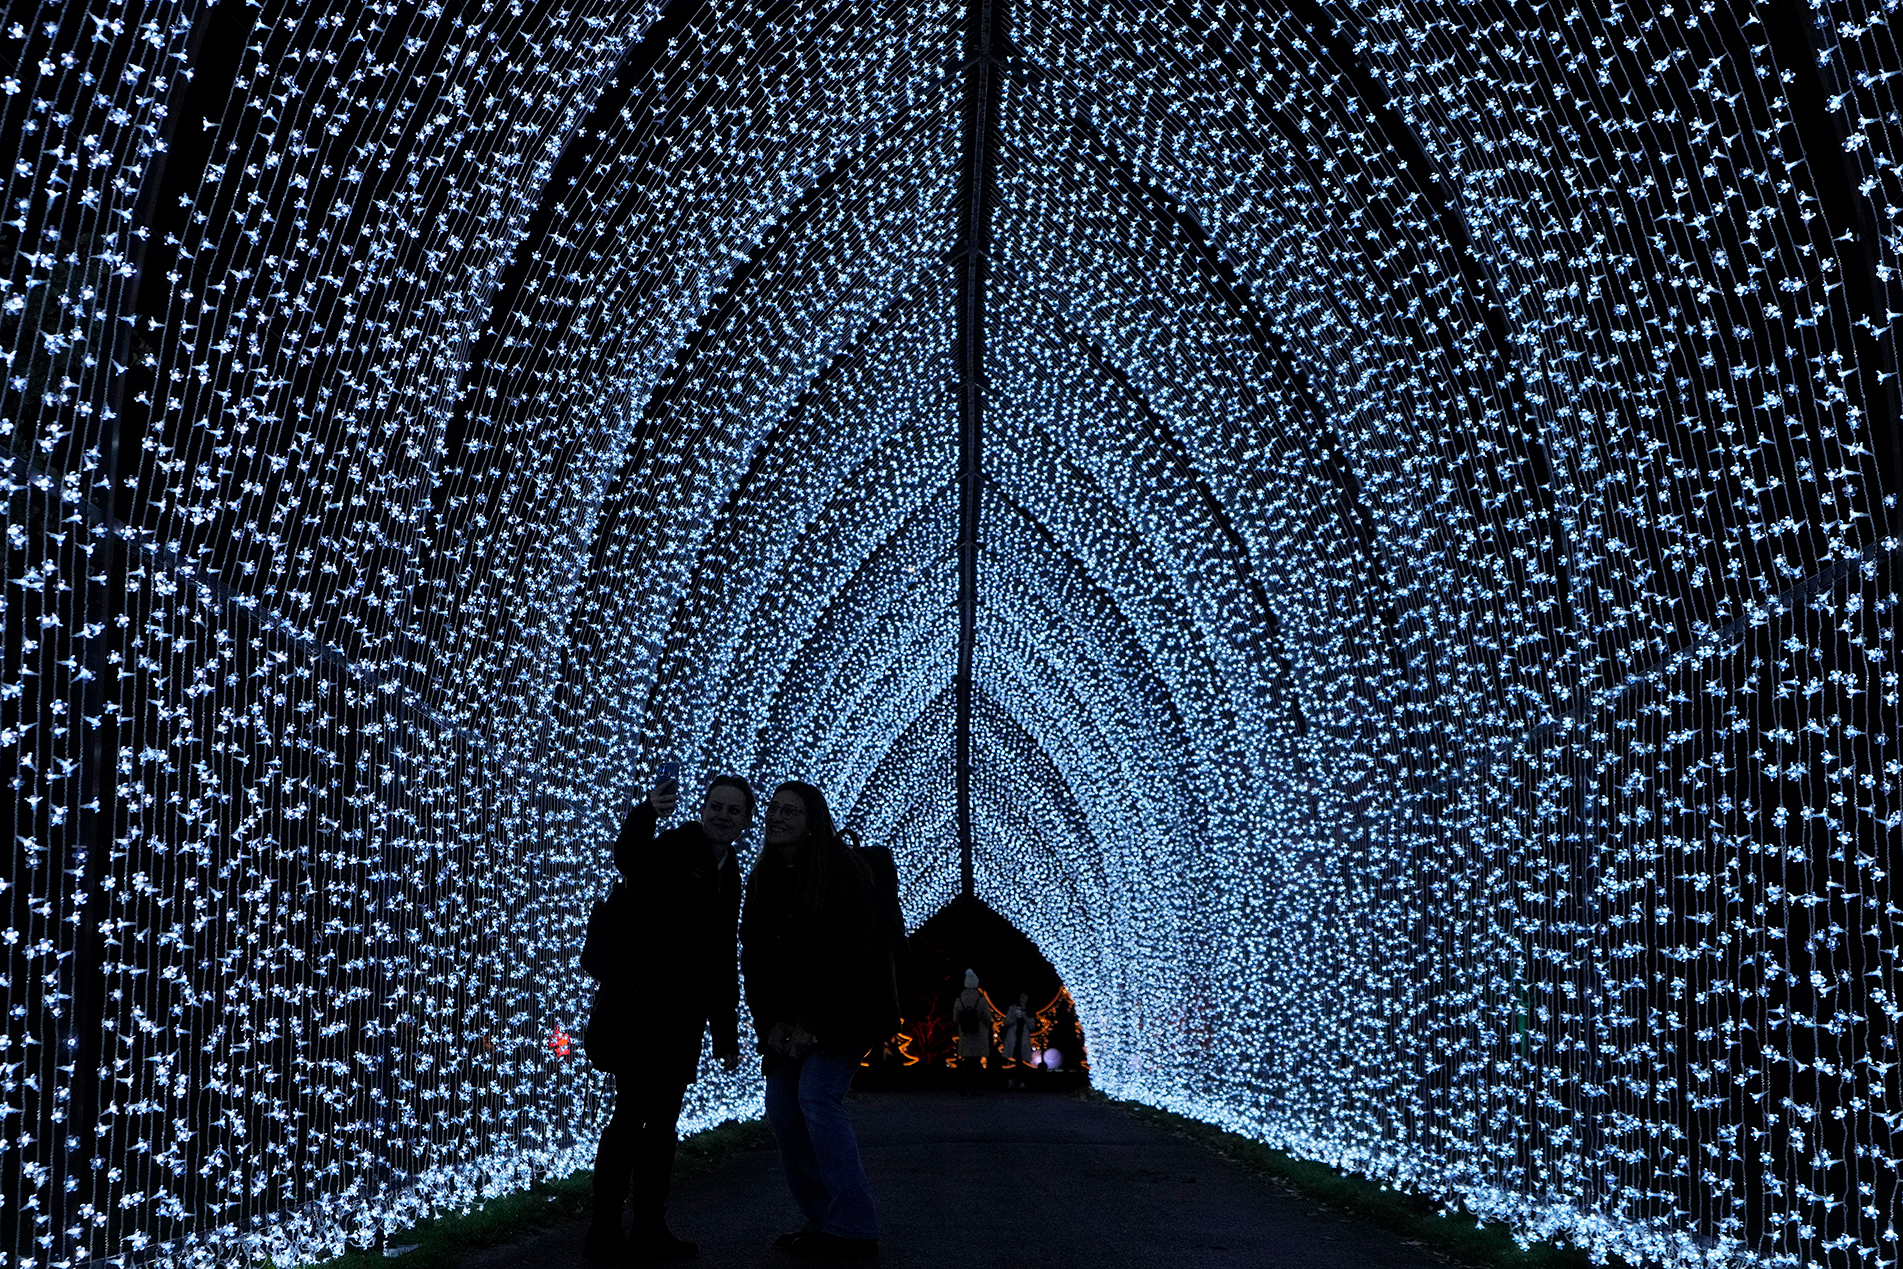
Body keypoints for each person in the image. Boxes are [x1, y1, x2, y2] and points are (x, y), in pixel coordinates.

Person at [584, 772, 754, 1264]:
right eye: (715, 806)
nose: (722, 815)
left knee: (661, 1124)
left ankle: (649, 1225)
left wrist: (725, 1033)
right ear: (702, 809)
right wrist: (646, 813)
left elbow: (722, 957)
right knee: (631, 1117)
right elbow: (631, 861)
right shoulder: (677, 847)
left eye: (733, 810)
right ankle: (605, 1229)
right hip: (641, 1011)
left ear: (745, 820)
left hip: (683, 1021)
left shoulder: (731, 873)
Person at [741, 781, 898, 1261]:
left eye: (791, 811)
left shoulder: (840, 872)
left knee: (816, 1097)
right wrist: (771, 1023)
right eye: (773, 810)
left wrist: (810, 1023)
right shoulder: (765, 876)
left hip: (846, 1014)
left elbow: (848, 959)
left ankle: (855, 1227)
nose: (778, 818)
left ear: (812, 823)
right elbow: (755, 958)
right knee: (783, 1109)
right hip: (790, 1020)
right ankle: (822, 1220)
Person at [952, 970, 996, 1095]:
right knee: (976, 1062)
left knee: (966, 1061)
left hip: (965, 1034)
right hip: (978, 1034)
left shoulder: (959, 1000)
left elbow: (955, 1019)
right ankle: (975, 1087)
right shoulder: (981, 1001)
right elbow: (987, 1018)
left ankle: (963, 1085)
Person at [999, 990, 1036, 1089]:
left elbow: (1032, 1026)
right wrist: (1014, 1016)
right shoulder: (1012, 1008)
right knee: (1011, 1060)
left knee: (1023, 1061)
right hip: (1013, 1037)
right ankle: (1011, 1081)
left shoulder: (1029, 1010)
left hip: (1023, 1038)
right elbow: (1007, 1022)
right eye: (1021, 998)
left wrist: (1025, 1017)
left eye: (1025, 998)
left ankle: (1022, 1081)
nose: (1023, 1000)